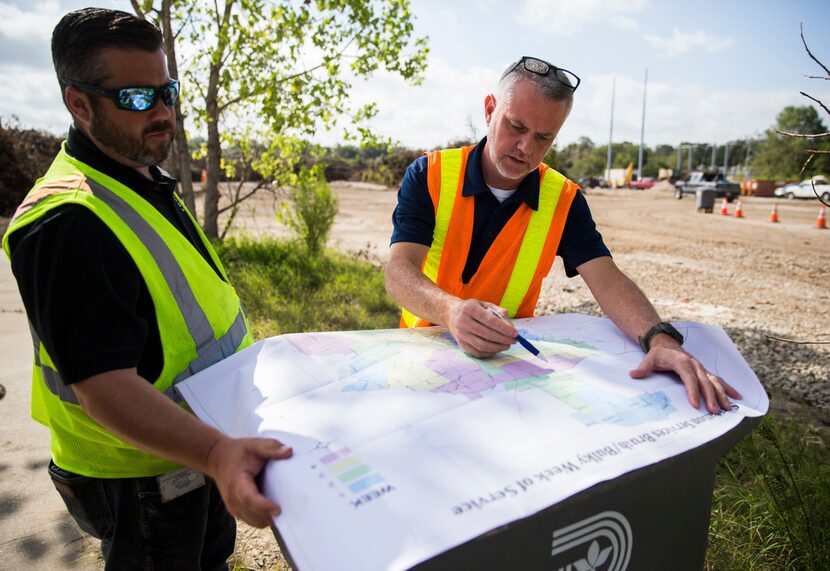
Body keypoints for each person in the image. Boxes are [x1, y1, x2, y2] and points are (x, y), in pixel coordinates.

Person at [2, 8, 291, 569]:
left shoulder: (133, 168)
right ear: (78, 103)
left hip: (194, 449)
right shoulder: (66, 221)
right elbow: (104, 387)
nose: (163, 113)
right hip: (140, 479)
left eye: (169, 91)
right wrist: (214, 451)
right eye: (137, 98)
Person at [385, 56, 741, 415]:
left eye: (543, 137)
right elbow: (398, 273)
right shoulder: (430, 174)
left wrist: (659, 339)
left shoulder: (564, 199)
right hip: (423, 361)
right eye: (516, 126)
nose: (526, 147)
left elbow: (607, 280)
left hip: (504, 373)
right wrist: (451, 311)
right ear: (490, 110)